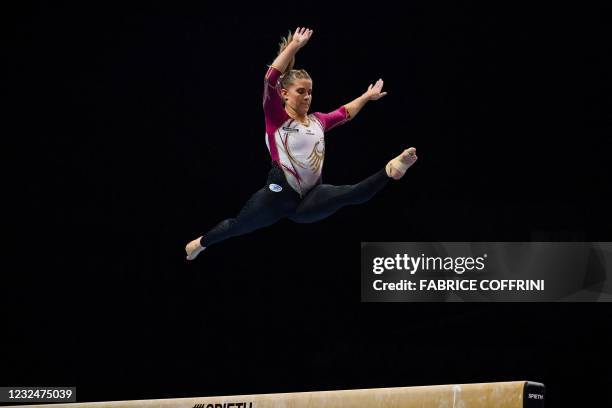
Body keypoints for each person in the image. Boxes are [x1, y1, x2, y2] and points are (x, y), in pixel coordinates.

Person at [185, 27, 417, 261]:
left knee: (349, 194)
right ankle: (200, 244)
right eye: (301, 91)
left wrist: (366, 97)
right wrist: (294, 45)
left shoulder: (318, 121)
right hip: (278, 196)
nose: (307, 96)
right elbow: (270, 79)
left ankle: (391, 169)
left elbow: (344, 112)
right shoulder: (276, 117)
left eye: (310, 92)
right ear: (284, 94)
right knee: (237, 226)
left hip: (310, 200)